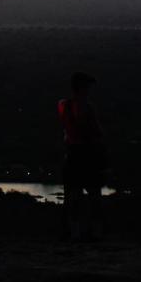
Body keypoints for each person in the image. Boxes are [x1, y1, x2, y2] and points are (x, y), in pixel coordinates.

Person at [59, 71, 106, 241]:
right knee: (94, 195)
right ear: (83, 88)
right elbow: (97, 132)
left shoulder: (63, 105)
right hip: (87, 154)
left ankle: (74, 232)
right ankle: (95, 232)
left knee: (73, 195)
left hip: (72, 153)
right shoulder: (87, 107)